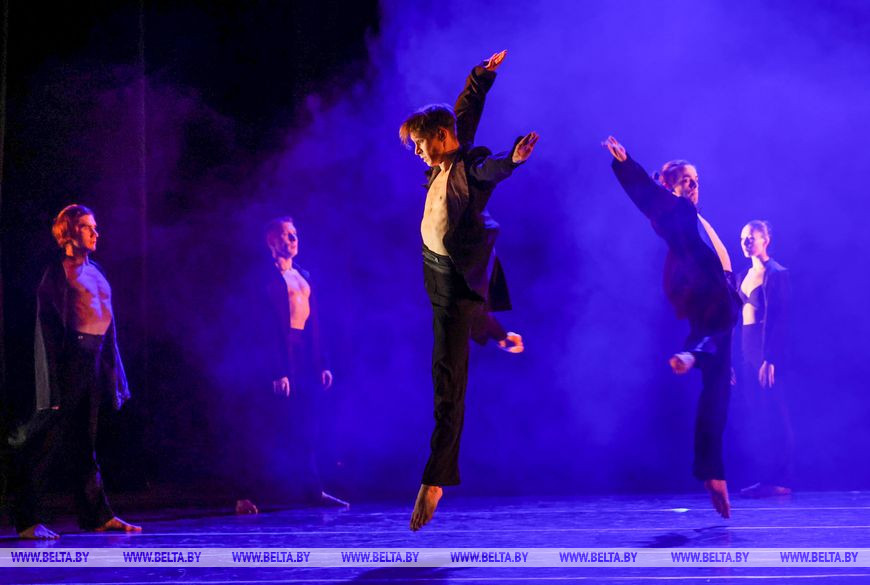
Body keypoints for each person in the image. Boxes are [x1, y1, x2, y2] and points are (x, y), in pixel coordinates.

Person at [399, 49, 538, 531]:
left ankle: (435, 479)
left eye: (420, 143)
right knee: (459, 338)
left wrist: (512, 160)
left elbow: (488, 168)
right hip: (438, 277)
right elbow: (465, 110)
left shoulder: (467, 166)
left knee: (448, 380)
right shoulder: (446, 151)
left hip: (454, 283)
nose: (417, 153)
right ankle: (498, 333)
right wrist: (481, 75)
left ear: (441, 137)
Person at [604, 137, 739, 519]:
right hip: (706, 296)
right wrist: (626, 164)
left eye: (695, 180)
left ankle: (712, 471)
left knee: (717, 395)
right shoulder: (674, 211)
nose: (692, 185)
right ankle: (695, 351)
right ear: (668, 184)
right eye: (684, 180)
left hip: (718, 300)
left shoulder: (693, 215)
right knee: (716, 342)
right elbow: (646, 197)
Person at [9, 204, 141, 539]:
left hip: (95, 359)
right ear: (68, 233)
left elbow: (109, 325)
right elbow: (46, 329)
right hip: (69, 360)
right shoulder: (56, 274)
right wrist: (51, 383)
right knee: (46, 441)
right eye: (86, 227)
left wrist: (113, 369)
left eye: (95, 226)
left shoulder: (97, 270)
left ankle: (97, 515)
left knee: (85, 442)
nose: (95, 233)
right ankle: (27, 520)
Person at [235, 217, 347, 515]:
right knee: (269, 425)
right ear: (271, 242)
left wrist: (322, 363)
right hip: (279, 355)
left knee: (307, 424)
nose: (293, 239)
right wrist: (277, 370)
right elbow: (264, 327)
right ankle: (245, 494)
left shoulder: (303, 275)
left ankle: (313, 490)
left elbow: (314, 324)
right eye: (286, 235)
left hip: (303, 355)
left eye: (294, 233)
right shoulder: (265, 278)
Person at [735, 220, 793, 497]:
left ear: (765, 241)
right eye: (743, 238)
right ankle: (765, 478)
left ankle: (781, 478)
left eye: (751, 238)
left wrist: (770, 357)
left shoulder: (777, 273)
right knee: (757, 414)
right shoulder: (742, 276)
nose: (746, 242)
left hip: (765, 346)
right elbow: (735, 319)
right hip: (746, 346)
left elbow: (779, 318)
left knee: (775, 411)